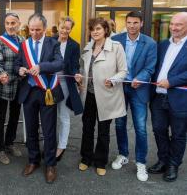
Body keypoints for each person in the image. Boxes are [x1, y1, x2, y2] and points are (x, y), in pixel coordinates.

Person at [15, 13, 64, 184]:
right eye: (32, 29)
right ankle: (33, 160)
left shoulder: (53, 43)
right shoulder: (24, 44)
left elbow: (59, 63)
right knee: (31, 128)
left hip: (47, 91)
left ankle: (50, 164)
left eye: (38, 30)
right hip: (29, 92)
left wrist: (41, 67)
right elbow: (17, 63)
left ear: (45, 28)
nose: (34, 33)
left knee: (49, 130)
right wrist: (19, 70)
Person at [75, 17, 127, 176]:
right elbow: (84, 70)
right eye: (92, 29)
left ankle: (100, 161)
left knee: (104, 130)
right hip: (89, 94)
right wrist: (79, 77)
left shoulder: (116, 47)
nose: (95, 32)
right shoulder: (87, 47)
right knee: (87, 128)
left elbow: (123, 71)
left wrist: (113, 80)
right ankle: (85, 159)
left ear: (105, 30)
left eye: (98, 29)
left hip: (107, 95)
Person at [111, 11, 157, 182]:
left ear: (141, 23)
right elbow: (112, 62)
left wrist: (141, 78)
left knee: (141, 127)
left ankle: (140, 162)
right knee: (120, 123)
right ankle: (123, 154)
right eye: (129, 22)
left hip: (139, 89)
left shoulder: (150, 43)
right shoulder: (117, 40)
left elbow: (150, 67)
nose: (131, 26)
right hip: (120, 88)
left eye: (135, 23)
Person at [148, 12, 187, 182]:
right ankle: (163, 160)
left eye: (179, 24)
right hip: (158, 98)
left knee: (178, 134)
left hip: (179, 98)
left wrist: (171, 81)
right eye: (172, 24)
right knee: (158, 130)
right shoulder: (162, 44)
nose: (174, 27)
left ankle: (173, 165)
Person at [0, 13, 24, 165]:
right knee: (1, 116)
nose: (11, 26)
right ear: (4, 25)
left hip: (19, 83)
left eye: (13, 23)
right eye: (8, 23)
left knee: (15, 115)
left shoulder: (23, 40)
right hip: (4, 84)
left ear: (19, 24)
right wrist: (1, 73)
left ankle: (9, 142)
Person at [55, 17, 83, 161]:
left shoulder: (74, 45)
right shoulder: (50, 41)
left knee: (64, 116)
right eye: (62, 27)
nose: (64, 30)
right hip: (50, 84)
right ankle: (51, 144)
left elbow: (74, 65)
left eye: (68, 28)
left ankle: (62, 146)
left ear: (71, 29)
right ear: (58, 26)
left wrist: (76, 74)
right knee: (50, 116)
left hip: (65, 83)